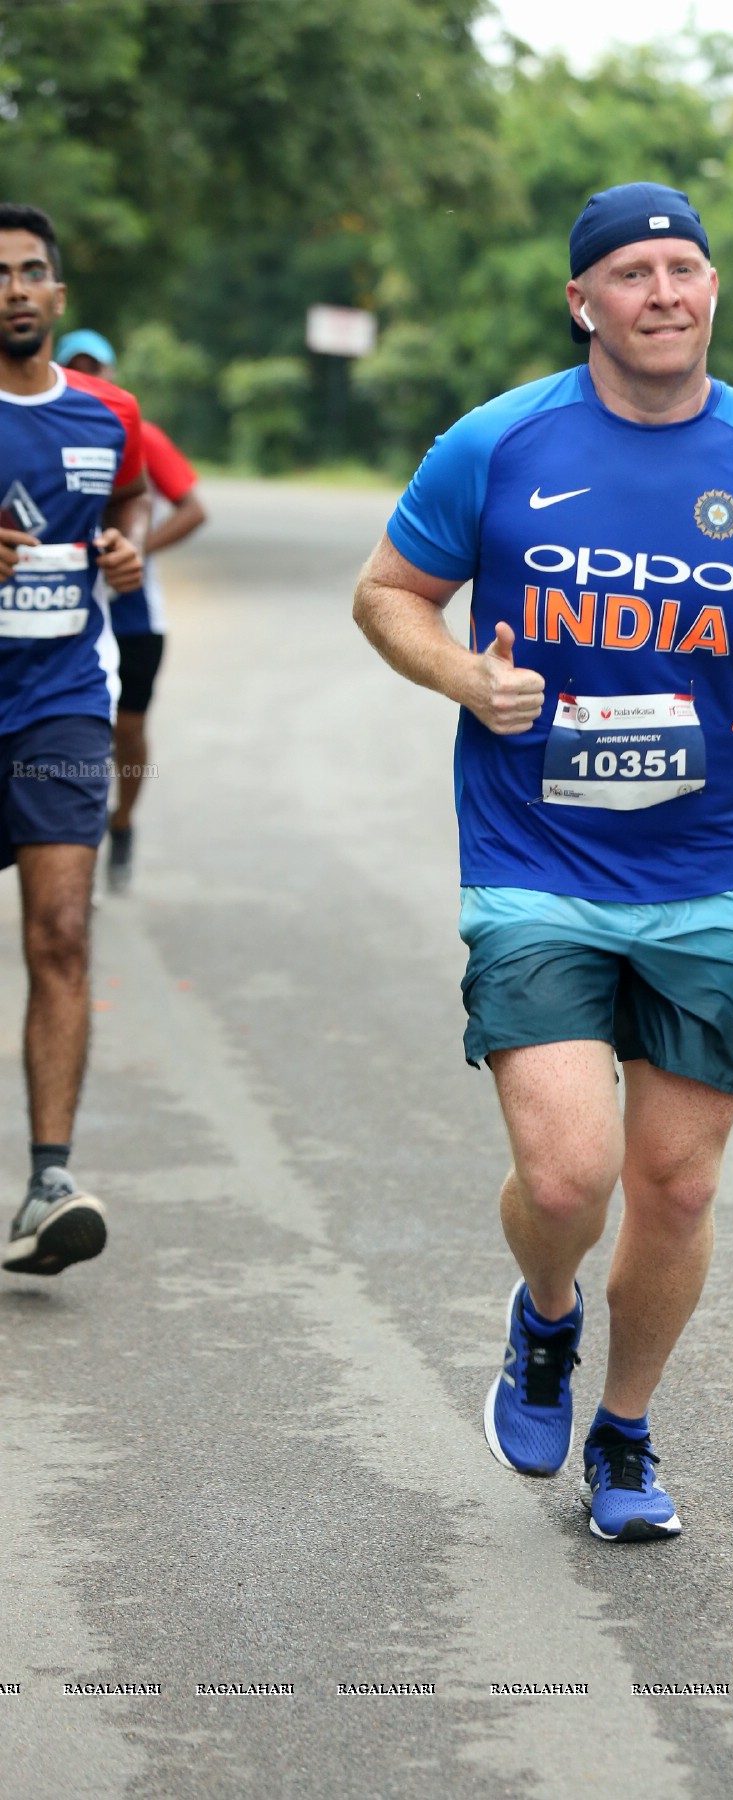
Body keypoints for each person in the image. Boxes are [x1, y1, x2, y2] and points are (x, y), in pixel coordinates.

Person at [353, 182, 733, 1541]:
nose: (665, 292)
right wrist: (463, 676)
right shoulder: (499, 444)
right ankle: (546, 1319)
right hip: (534, 864)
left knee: (678, 1185)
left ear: (713, 290)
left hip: (707, 877)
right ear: (582, 300)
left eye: (686, 268)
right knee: (565, 1180)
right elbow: (387, 593)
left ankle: (630, 1434)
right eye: (635, 272)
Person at [0, 204, 147, 1276]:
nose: (14, 288)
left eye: (31, 272)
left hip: (62, 703)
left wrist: (126, 555)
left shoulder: (105, 418)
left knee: (60, 932)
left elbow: (131, 508)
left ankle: (49, 1181)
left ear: (59, 296)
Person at [56, 330, 206, 892]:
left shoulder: (135, 433)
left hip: (136, 613)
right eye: (79, 368)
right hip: (60, 613)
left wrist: (136, 548)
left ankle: (122, 822)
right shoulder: (38, 431)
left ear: (115, 373)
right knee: (73, 727)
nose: (91, 378)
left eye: (99, 369)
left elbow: (192, 507)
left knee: (129, 729)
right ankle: (74, 838)